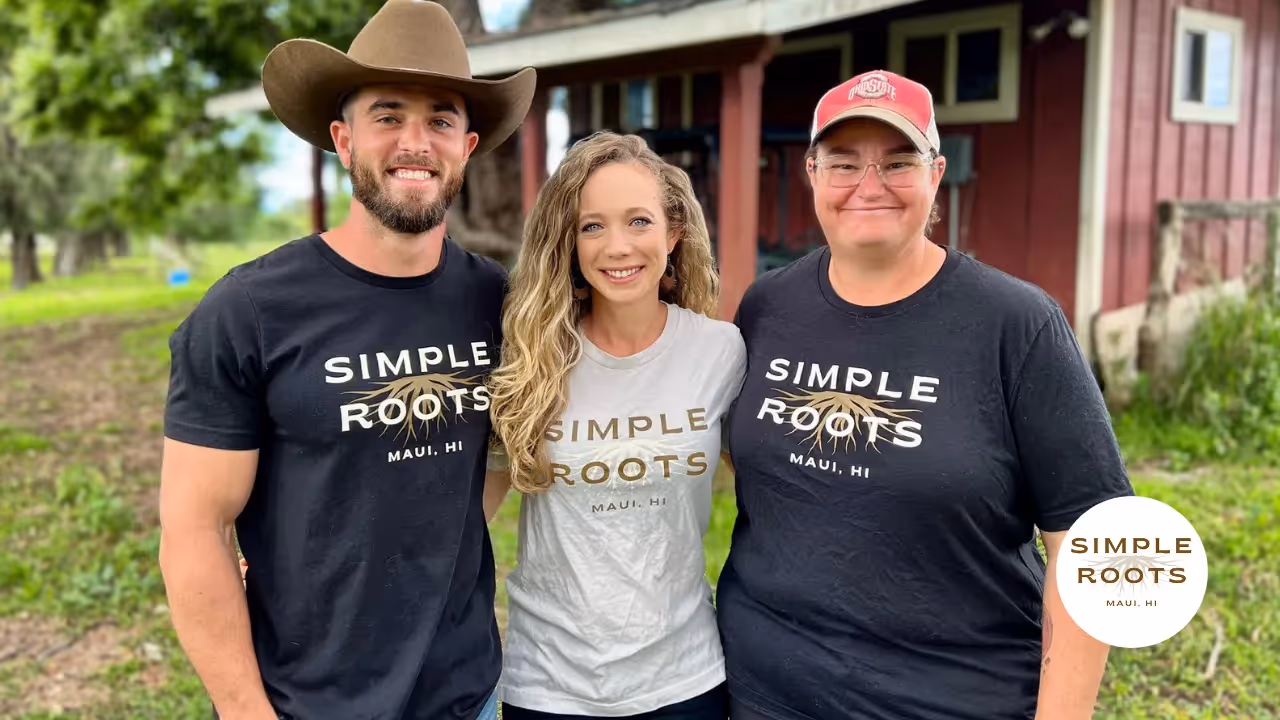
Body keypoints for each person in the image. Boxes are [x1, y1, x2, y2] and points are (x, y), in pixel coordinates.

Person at [156, 1, 535, 718]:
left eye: (441, 120)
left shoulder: (496, 300)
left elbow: (499, 459)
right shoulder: (249, 311)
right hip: (305, 701)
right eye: (388, 116)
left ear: (468, 144)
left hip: (466, 694)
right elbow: (193, 530)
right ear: (343, 138)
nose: (415, 142)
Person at [716, 70, 1134, 720]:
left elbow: (1095, 543)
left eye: (898, 162)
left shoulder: (1016, 325)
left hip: (951, 697)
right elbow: (756, 463)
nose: (870, 185)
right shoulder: (768, 306)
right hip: (764, 691)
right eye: (845, 163)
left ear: (936, 173)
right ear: (812, 173)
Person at [485, 132, 746, 720]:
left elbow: (775, 493)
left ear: (673, 232)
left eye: (638, 221)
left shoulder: (719, 350)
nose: (617, 246)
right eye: (592, 226)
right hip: (550, 683)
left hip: (684, 678)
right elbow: (466, 513)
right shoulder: (533, 356)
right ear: (569, 243)